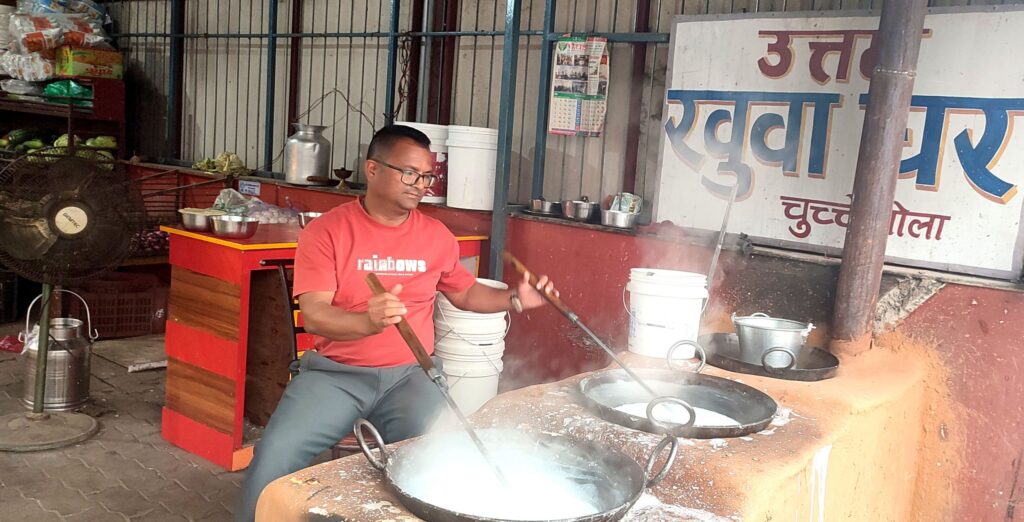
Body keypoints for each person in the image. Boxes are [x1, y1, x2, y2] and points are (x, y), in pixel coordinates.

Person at [238, 124, 556, 521]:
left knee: (436, 461)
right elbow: (316, 316)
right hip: (335, 376)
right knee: (273, 459)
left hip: (412, 376)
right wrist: (368, 322)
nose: (419, 185)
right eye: (409, 173)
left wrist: (514, 299)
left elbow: (467, 294)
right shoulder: (327, 232)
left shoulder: (436, 236)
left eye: (426, 176)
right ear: (373, 169)